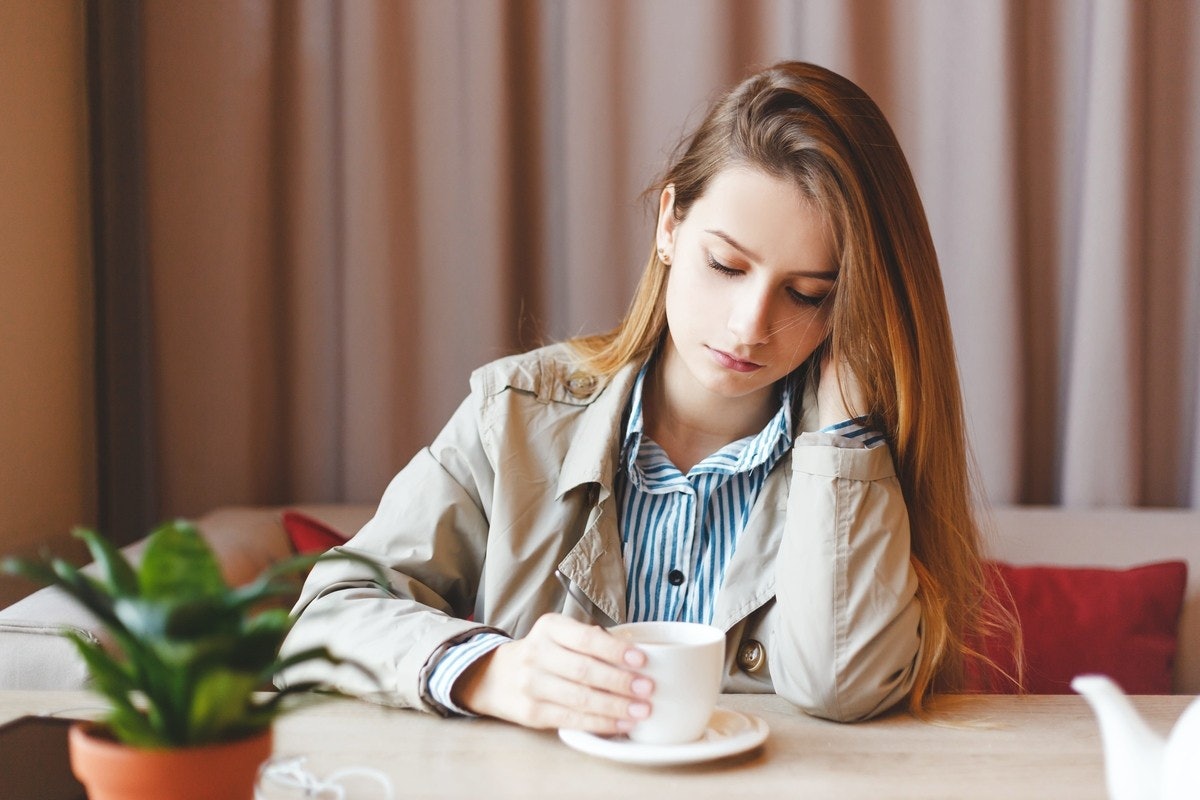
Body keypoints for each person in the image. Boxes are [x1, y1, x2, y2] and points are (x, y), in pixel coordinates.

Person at [279, 60, 1001, 731]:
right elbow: (329, 613)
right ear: (668, 224)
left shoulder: (862, 459)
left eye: (807, 293)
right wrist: (492, 672)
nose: (749, 325)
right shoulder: (517, 414)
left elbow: (843, 687)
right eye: (725, 265)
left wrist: (844, 424)